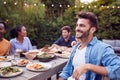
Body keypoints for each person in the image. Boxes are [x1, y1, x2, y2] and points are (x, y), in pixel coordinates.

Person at [58, 11, 120, 80]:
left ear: (92, 29)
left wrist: (88, 67)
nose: (77, 28)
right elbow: (67, 71)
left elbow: (118, 70)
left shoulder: (102, 48)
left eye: (82, 26)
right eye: (77, 25)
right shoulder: (75, 47)